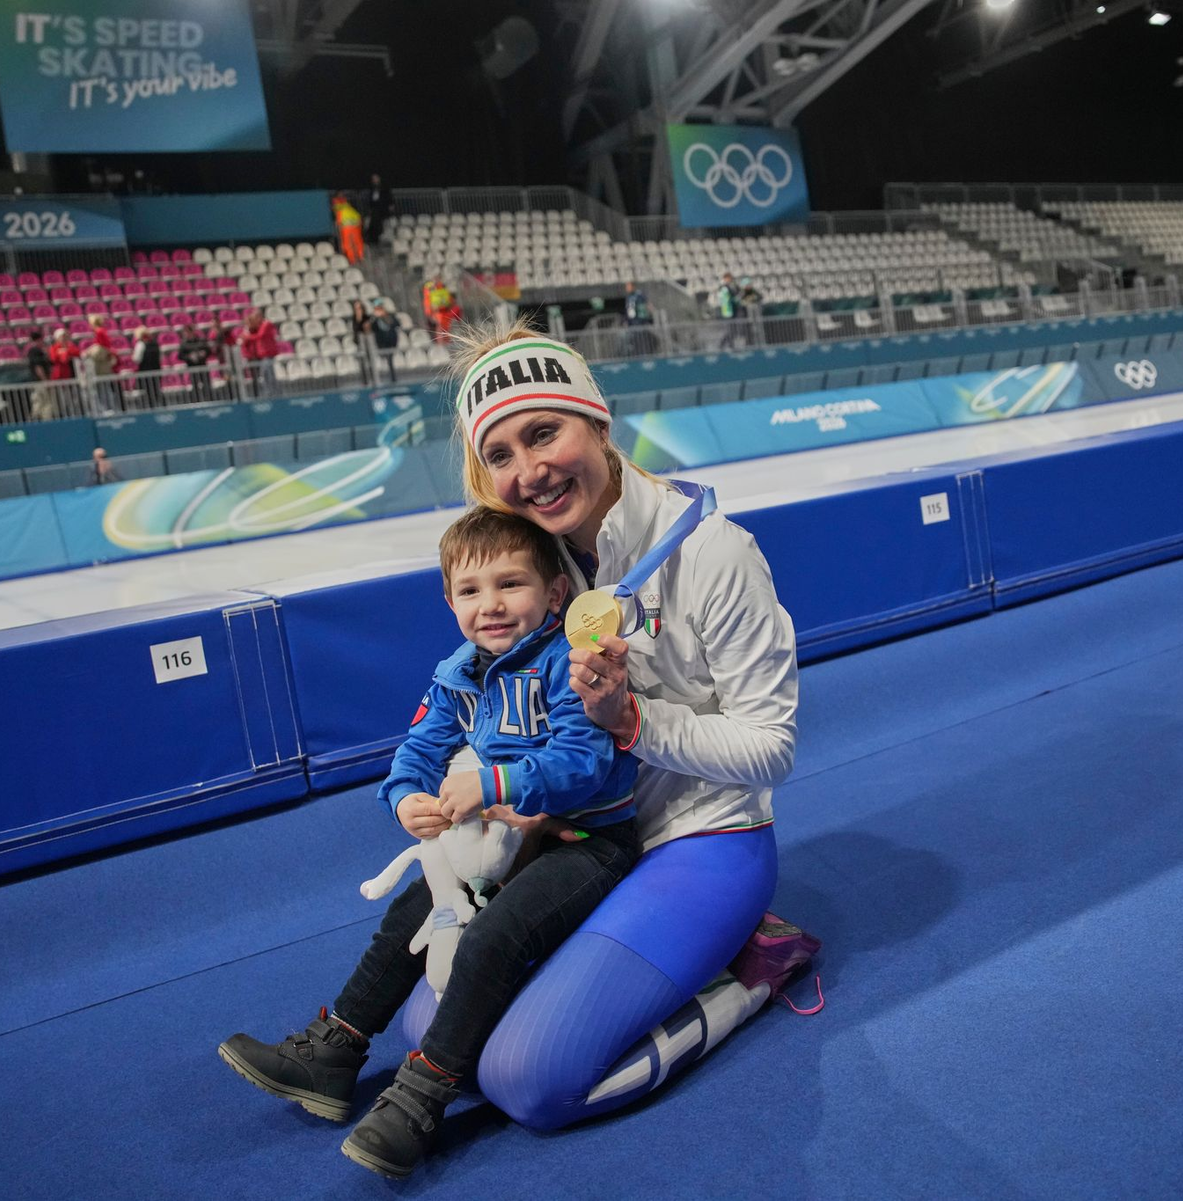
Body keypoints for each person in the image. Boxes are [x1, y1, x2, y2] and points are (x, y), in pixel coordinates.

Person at [217, 321, 805, 1177]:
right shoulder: (535, 555)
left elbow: (773, 747)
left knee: (531, 1082)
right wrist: (466, 788)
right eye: (500, 453)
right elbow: (481, 696)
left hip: (700, 836)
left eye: (544, 432)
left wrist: (633, 724)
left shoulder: (714, 553)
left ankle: (749, 972)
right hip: (567, 832)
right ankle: (346, 1049)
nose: (529, 470)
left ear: (596, 421)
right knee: (434, 1022)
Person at [220, 504, 641, 1179]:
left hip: (586, 839)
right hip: (501, 842)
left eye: (511, 583)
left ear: (555, 592)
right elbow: (415, 754)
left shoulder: (570, 664)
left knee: (494, 934)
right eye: (470, 590)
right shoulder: (457, 674)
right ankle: (334, 1049)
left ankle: (422, 1095)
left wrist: (494, 783)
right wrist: (406, 799)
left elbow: (584, 763)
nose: (490, 604)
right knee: (409, 914)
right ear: (450, 602)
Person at [237, 308, 278, 397]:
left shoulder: (265, 324)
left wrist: (247, 337)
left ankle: (273, 393)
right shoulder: (255, 328)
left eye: (256, 317)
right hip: (260, 355)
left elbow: (260, 336)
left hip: (266, 353)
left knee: (267, 374)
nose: (255, 320)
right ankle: (268, 393)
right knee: (265, 374)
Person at [178, 323, 213, 402]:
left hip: (202, 367)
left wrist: (203, 353)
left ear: (191, 332)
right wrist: (189, 357)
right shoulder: (184, 344)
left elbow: (209, 351)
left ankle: (209, 400)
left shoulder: (201, 341)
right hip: (192, 368)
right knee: (195, 386)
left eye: (187, 332)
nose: (186, 334)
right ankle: (197, 402)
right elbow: (180, 356)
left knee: (206, 385)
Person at [25, 328, 54, 421]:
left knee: (39, 402)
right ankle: (44, 422)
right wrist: (45, 381)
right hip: (40, 382)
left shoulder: (37, 351)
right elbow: (38, 367)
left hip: (38, 382)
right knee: (45, 403)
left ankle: (35, 421)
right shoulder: (35, 351)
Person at [131, 326, 161, 407]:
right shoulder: (155, 343)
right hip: (156, 371)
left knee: (148, 392)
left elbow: (136, 359)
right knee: (156, 391)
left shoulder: (140, 344)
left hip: (145, 371)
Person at [369, 301, 400, 379]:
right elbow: (372, 328)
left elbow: (397, 324)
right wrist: (375, 318)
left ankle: (393, 377)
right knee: (384, 360)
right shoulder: (374, 319)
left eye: (380, 308)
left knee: (391, 360)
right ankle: (385, 377)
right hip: (381, 342)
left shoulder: (390, 316)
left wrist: (385, 317)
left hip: (391, 341)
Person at [623, 280, 655, 356]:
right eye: (626, 287)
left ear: (633, 286)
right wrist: (626, 321)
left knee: (642, 338)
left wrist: (651, 314)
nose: (626, 288)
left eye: (628, 286)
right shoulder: (628, 297)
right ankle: (637, 354)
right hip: (632, 322)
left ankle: (645, 354)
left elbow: (647, 304)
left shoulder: (639, 294)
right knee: (634, 340)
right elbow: (628, 309)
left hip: (640, 321)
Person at [332, 194, 365, 265]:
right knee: (358, 242)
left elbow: (339, 223)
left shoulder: (340, 211)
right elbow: (359, 218)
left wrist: (338, 227)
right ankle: (360, 256)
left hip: (346, 228)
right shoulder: (350, 208)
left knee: (348, 244)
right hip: (356, 227)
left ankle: (351, 259)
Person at [716, 271, 743, 349]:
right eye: (728, 278)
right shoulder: (723, 288)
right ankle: (725, 345)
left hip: (734, 311)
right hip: (727, 311)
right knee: (730, 330)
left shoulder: (733, 286)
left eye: (730, 278)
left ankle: (727, 345)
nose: (729, 280)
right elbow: (726, 299)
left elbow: (738, 292)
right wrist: (736, 298)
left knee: (733, 330)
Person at [365, 174, 393, 245]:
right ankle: (373, 238)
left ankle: (377, 237)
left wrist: (391, 204)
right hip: (375, 208)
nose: (374, 180)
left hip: (382, 208)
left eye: (375, 179)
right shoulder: (372, 188)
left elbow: (389, 196)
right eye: (373, 179)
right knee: (373, 223)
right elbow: (371, 199)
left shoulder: (384, 187)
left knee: (379, 223)